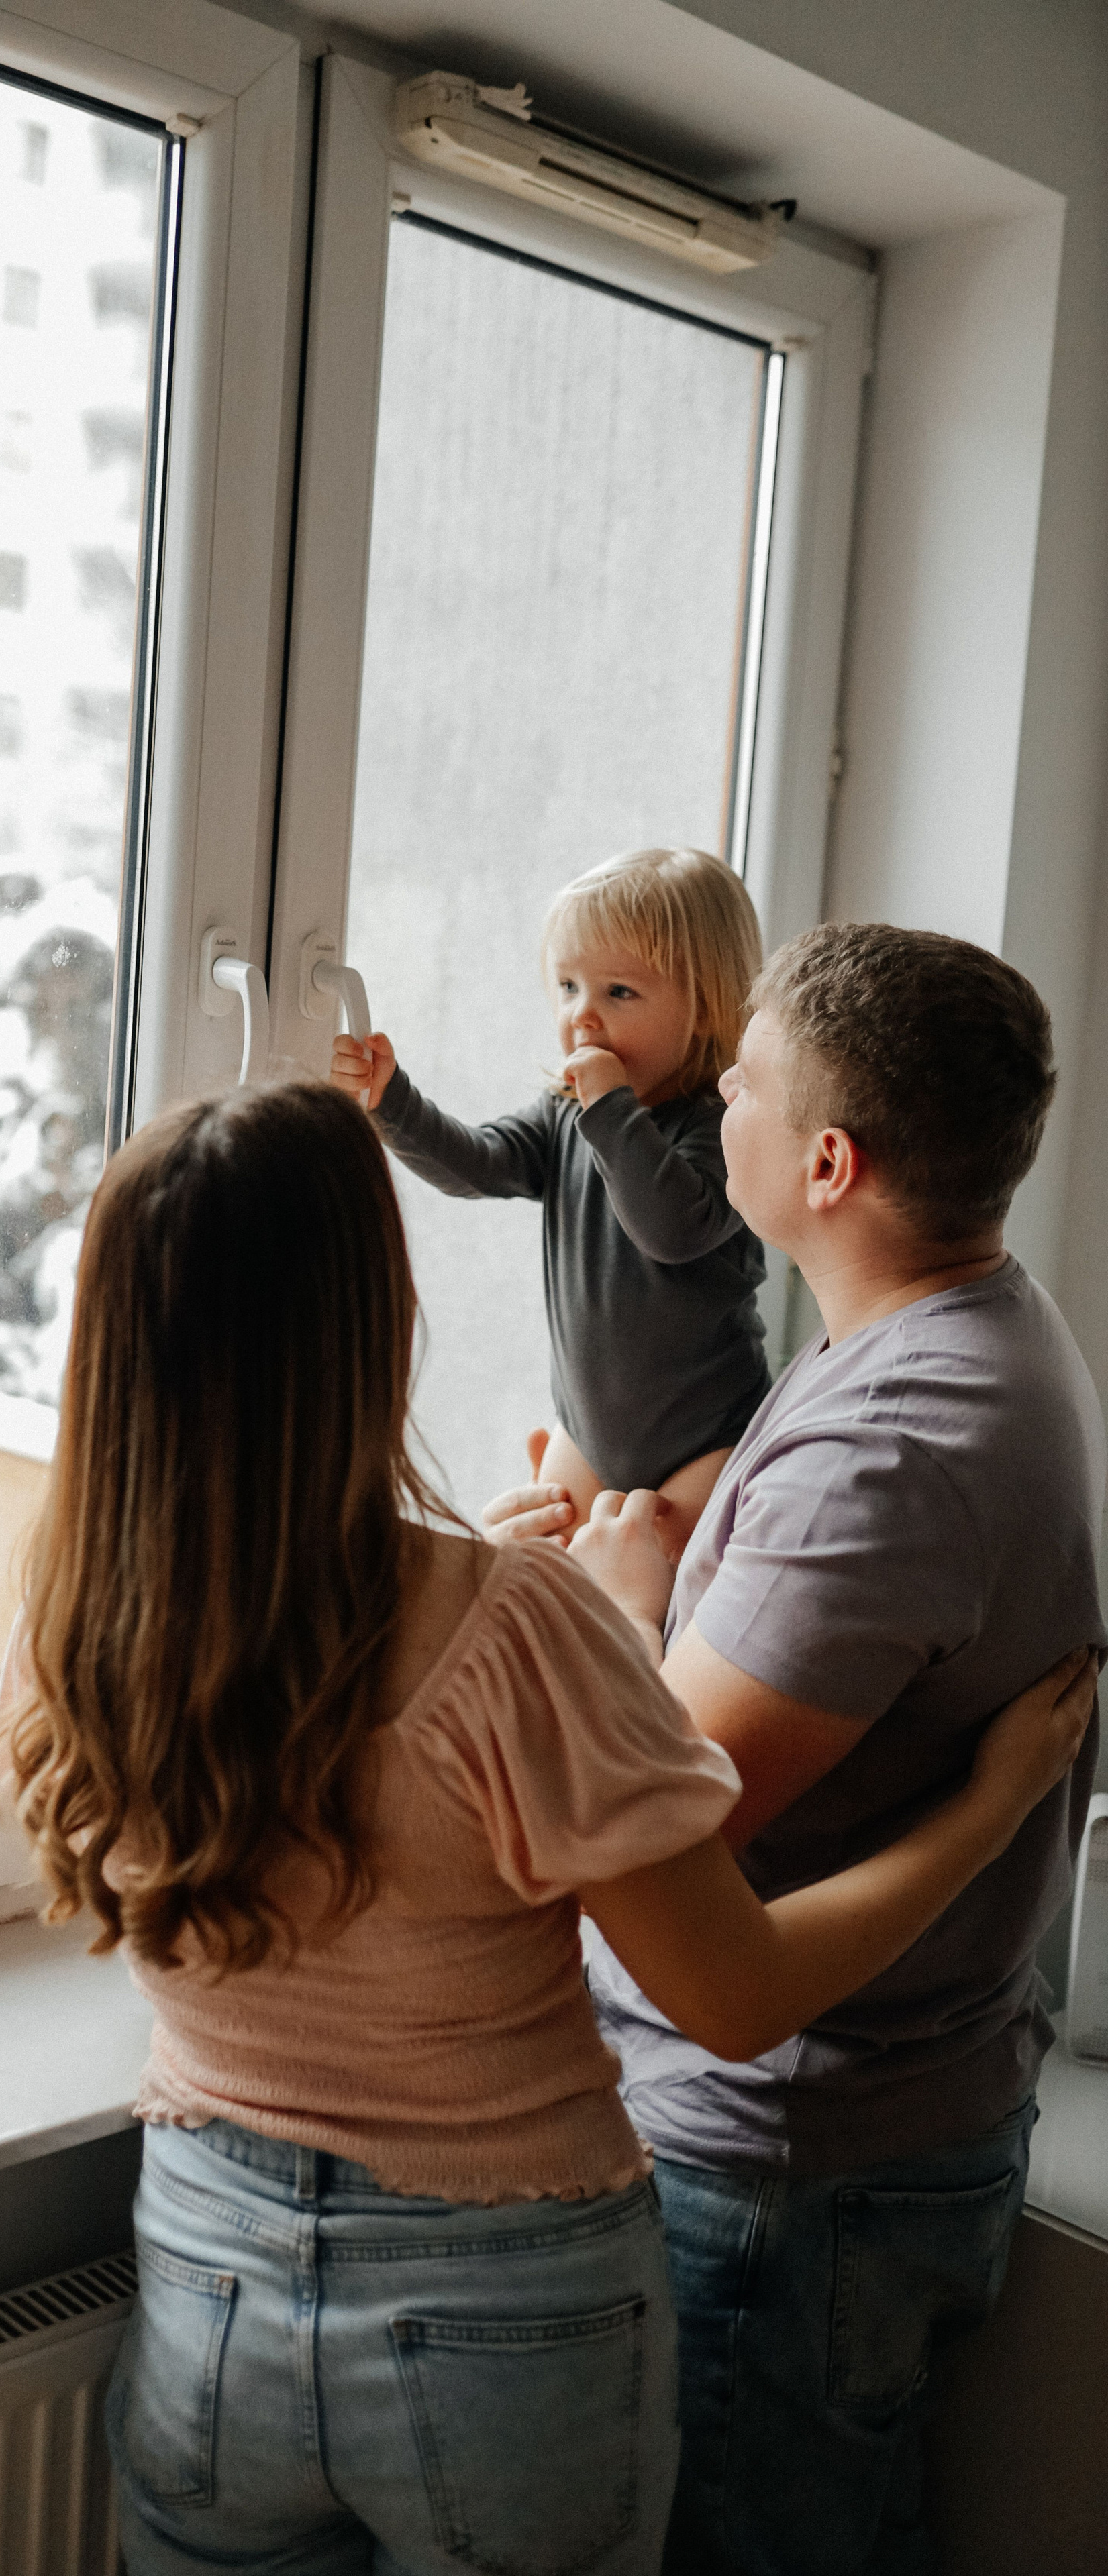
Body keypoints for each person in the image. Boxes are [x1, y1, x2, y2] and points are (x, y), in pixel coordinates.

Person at [0, 1076, 1094, 2576]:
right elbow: (735, 1993)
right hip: (500, 2304)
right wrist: (993, 1802)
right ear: (375, 1322)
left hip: (206, 2271)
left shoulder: (62, 1634)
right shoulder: (510, 1632)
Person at [488, 923, 1107, 2576]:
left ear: (827, 1165)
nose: (712, 1109)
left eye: (740, 1087)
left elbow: (665, 1819)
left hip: (787, 2174)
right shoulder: (950, 1314)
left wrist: (621, 1617)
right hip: (872, 2134)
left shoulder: (894, 1444)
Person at [331, 845, 768, 1554]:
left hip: (709, 1438)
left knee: (663, 1581)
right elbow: (477, 1163)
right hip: (589, 1436)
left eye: (618, 993)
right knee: (547, 1571)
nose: (582, 1017)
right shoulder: (566, 1115)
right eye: (568, 987)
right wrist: (392, 1101)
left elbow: (670, 1228)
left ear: (705, 1006)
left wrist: (611, 1108)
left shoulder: (722, 1128)